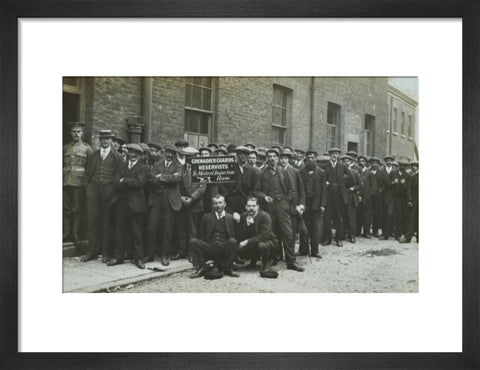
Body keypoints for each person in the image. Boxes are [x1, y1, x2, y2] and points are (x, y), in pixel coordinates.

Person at [254, 148, 304, 271]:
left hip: (282, 205)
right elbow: (256, 191)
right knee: (272, 234)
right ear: (267, 158)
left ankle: (291, 261)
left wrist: (287, 202)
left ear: (277, 158)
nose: (272, 158)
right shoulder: (262, 173)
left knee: (287, 233)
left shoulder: (284, 172)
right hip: (269, 207)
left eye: (274, 156)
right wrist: (264, 197)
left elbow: (292, 189)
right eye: (269, 156)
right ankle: (274, 258)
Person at [81, 129, 123, 262]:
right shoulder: (94, 155)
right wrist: (88, 188)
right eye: (103, 138)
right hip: (93, 192)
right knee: (92, 222)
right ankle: (91, 251)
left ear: (111, 140)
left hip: (109, 193)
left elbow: (119, 175)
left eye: (107, 138)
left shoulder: (117, 157)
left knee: (107, 223)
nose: (105, 141)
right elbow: (87, 174)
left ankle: (106, 253)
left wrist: (113, 190)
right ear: (100, 140)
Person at [108, 143, 148, 269]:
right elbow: (115, 182)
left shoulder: (143, 167)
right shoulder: (123, 165)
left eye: (135, 153)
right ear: (128, 153)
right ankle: (118, 256)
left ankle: (139, 259)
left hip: (136, 204)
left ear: (140, 155)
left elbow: (139, 183)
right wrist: (123, 181)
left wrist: (124, 180)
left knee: (137, 233)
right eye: (130, 152)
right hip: (122, 203)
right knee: (119, 231)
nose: (132, 155)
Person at [144, 145, 183, 266]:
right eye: (168, 152)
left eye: (172, 153)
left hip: (169, 200)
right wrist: (166, 179)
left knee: (168, 229)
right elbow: (151, 179)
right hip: (156, 199)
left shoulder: (179, 166)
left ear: (175, 154)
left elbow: (177, 178)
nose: (170, 155)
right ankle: (150, 255)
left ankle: (166, 254)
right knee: (152, 227)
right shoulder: (157, 165)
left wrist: (161, 177)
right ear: (165, 153)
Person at [189, 194, 239, 278]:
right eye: (215, 203)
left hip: (224, 248)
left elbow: (236, 235)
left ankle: (228, 268)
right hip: (210, 247)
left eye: (220, 203)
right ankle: (201, 267)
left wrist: (238, 221)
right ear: (212, 205)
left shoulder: (230, 218)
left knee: (233, 241)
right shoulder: (206, 217)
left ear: (225, 204)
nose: (218, 205)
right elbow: (201, 235)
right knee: (193, 241)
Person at [63, 122, 92, 247]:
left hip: (79, 183)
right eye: (74, 131)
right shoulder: (65, 148)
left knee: (77, 209)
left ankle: (75, 235)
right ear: (70, 133)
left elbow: (90, 168)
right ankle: (66, 233)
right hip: (65, 182)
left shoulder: (87, 149)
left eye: (78, 132)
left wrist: (86, 183)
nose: (76, 134)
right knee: (66, 209)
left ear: (82, 133)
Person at [279, 148, 309, 257]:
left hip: (293, 206)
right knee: (279, 231)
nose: (283, 161)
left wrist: (301, 204)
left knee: (291, 232)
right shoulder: (276, 171)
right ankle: (278, 255)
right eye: (281, 159)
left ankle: (290, 254)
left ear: (289, 160)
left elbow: (301, 190)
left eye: (285, 159)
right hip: (280, 206)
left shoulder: (295, 172)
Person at [236, 196, 278, 271]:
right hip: (254, 242)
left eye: (253, 206)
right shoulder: (243, 216)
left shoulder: (264, 216)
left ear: (258, 206)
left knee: (262, 245)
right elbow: (240, 235)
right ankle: (253, 262)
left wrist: (247, 241)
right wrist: (247, 225)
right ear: (245, 207)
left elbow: (264, 236)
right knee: (240, 248)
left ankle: (266, 263)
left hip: (269, 241)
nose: (251, 208)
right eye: (249, 206)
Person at [299, 150, 327, 258]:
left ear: (316, 159)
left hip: (316, 203)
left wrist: (323, 204)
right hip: (305, 203)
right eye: (309, 158)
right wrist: (301, 203)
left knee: (314, 227)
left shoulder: (321, 172)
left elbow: (324, 190)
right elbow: (299, 188)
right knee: (303, 227)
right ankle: (303, 249)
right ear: (306, 159)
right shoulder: (301, 172)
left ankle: (315, 251)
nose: (311, 159)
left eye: (313, 157)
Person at [322, 148, 349, 247]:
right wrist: (325, 182)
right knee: (327, 217)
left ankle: (339, 239)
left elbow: (350, 178)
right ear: (330, 155)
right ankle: (327, 239)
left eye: (336, 153)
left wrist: (341, 183)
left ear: (338, 155)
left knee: (339, 218)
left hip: (339, 195)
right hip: (328, 195)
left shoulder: (342, 166)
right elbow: (322, 177)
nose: (334, 155)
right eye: (333, 153)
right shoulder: (325, 166)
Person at [221, 145, 257, 214]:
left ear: (248, 156)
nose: (243, 156)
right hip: (230, 199)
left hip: (245, 199)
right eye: (240, 154)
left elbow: (254, 187)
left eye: (245, 154)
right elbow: (222, 183)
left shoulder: (252, 170)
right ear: (237, 155)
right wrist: (226, 194)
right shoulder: (230, 167)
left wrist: (249, 198)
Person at [341, 154, 363, 243]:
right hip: (341, 196)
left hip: (351, 196)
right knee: (342, 216)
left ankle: (352, 235)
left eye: (348, 161)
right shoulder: (340, 172)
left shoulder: (355, 172)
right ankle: (341, 234)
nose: (346, 163)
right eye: (344, 161)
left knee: (351, 217)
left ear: (351, 162)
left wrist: (353, 188)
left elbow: (361, 185)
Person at [400, 161, 419, 243]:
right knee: (411, 219)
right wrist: (409, 200)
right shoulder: (412, 177)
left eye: (416, 166)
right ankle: (407, 238)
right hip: (414, 201)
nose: (414, 167)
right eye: (413, 166)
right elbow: (408, 190)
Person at [379, 155, 397, 240]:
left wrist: (391, 183)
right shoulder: (381, 171)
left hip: (392, 197)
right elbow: (381, 183)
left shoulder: (395, 171)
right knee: (383, 214)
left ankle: (388, 232)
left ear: (392, 162)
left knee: (390, 214)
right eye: (387, 160)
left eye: (390, 160)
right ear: (385, 162)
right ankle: (384, 233)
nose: (389, 162)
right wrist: (392, 183)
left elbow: (396, 184)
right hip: (383, 196)